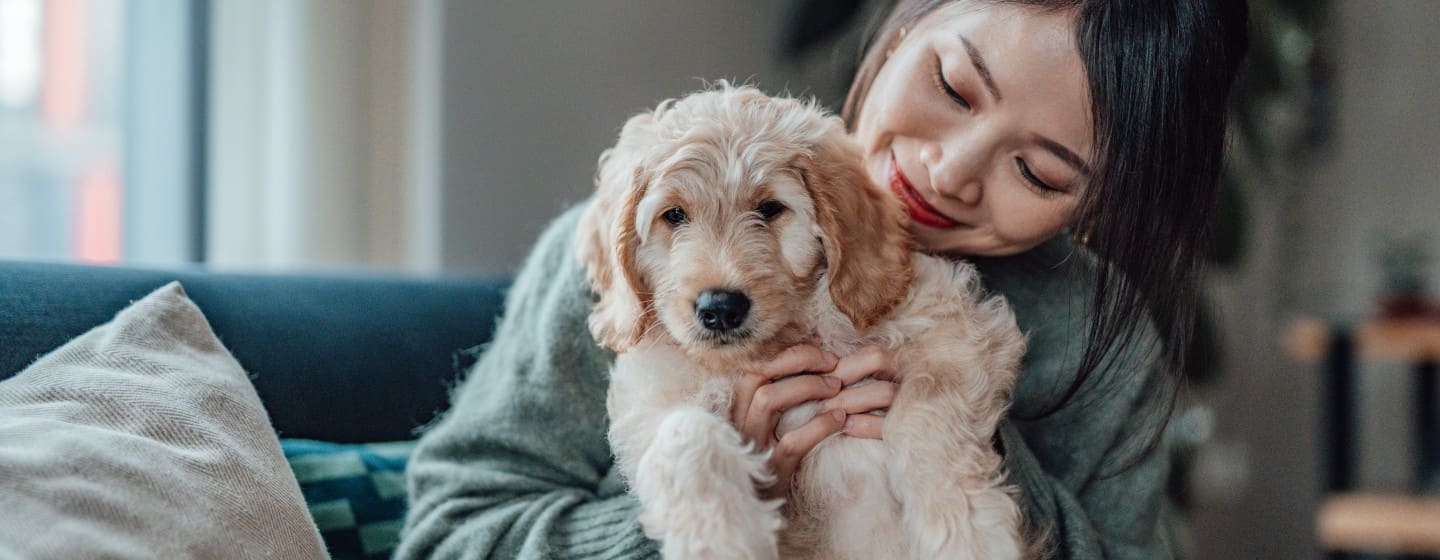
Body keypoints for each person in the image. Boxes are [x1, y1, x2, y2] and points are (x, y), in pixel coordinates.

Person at [396, 1, 1249, 558]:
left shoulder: (1102, 336)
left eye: (1040, 172)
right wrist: (716, 501)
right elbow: (447, 536)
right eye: (952, 85)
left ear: (1097, 203)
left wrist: (977, 455)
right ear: (906, 21)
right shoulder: (642, 260)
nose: (950, 169)